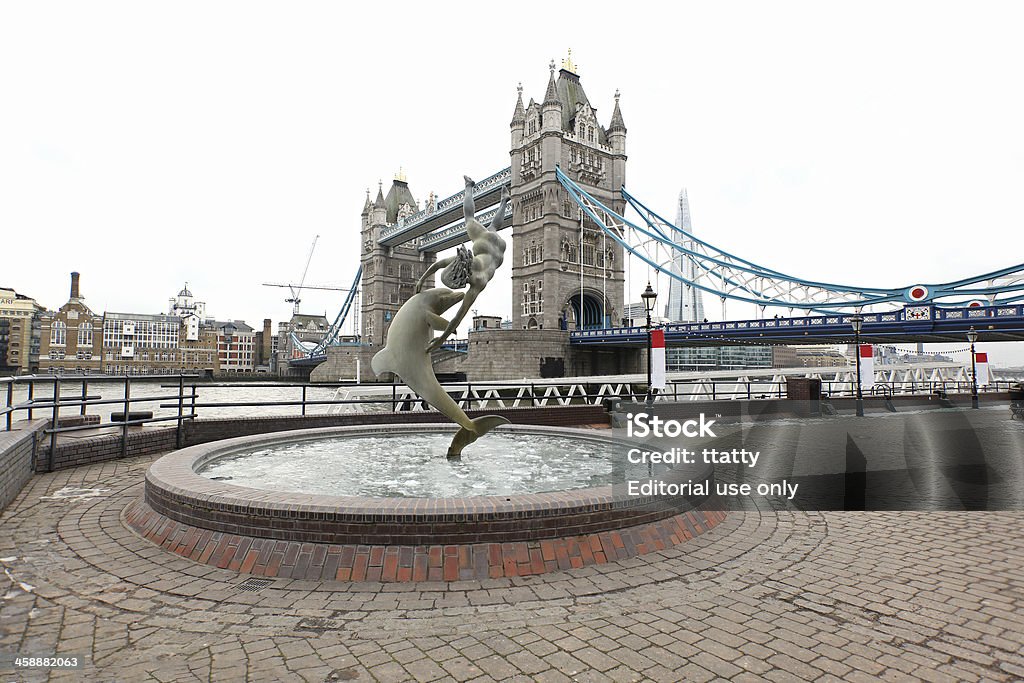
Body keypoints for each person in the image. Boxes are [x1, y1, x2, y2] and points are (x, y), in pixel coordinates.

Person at [416, 176, 509, 351]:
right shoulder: (465, 262)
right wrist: (422, 279)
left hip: (499, 253)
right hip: (486, 242)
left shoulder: (477, 283)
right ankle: (470, 187)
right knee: (471, 220)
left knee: (486, 225)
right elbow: (439, 265)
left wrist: (441, 339)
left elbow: (458, 317)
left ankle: (498, 198)